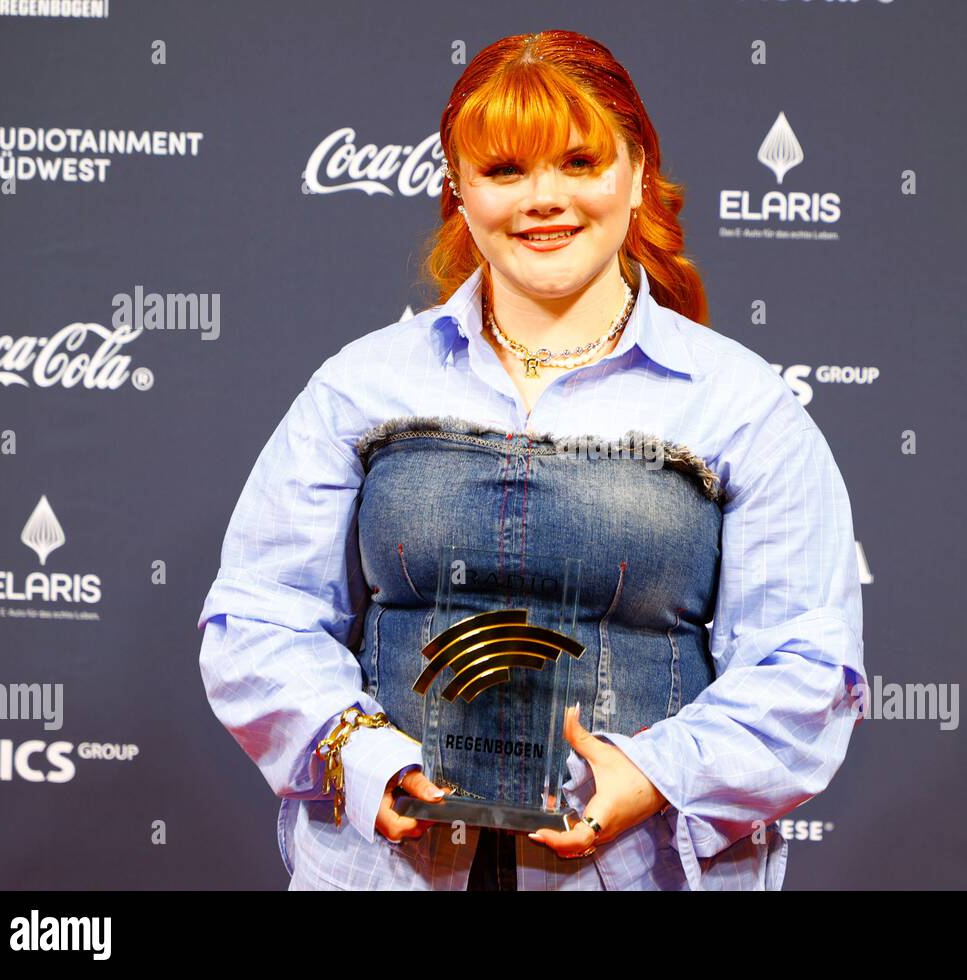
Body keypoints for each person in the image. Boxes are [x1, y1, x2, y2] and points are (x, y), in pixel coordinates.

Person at [197, 29, 866, 891]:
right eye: (506, 171)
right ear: (460, 192)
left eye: (579, 164)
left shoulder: (741, 404)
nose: (543, 199)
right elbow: (260, 615)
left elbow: (806, 664)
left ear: (636, 176)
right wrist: (360, 755)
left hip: (639, 869)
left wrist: (658, 775)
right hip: (386, 868)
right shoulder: (360, 384)